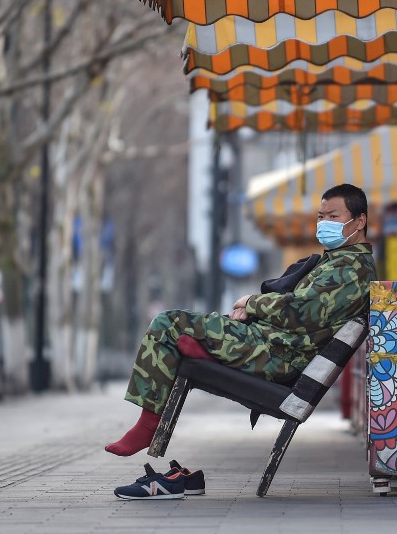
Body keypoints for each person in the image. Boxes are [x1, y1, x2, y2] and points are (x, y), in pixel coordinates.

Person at [105, 183, 378, 457]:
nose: (324, 223)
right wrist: (251, 312)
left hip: (276, 355)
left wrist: (252, 303)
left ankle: (146, 427)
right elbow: (303, 310)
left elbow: (303, 310)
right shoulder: (339, 262)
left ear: (360, 220)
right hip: (268, 343)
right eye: (320, 216)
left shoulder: (351, 269)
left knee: (168, 323)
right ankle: (203, 354)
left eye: (334, 216)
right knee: (180, 329)